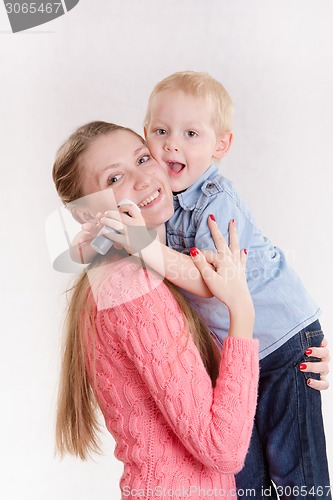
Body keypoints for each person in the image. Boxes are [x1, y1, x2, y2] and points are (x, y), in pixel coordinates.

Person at [89, 72, 330, 500]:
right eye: (160, 132)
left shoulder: (214, 198)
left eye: (191, 134)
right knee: (246, 480)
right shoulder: (166, 207)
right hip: (239, 356)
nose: (172, 145)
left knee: (298, 475)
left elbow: (213, 282)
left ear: (221, 146)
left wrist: (146, 247)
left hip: (284, 341)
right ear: (147, 135)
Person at [53, 121, 260, 500]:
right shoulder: (131, 287)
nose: (144, 178)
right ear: (87, 215)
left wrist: (294, 354)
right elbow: (223, 449)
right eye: (114, 178)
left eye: (143, 158)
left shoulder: (127, 273)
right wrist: (242, 314)